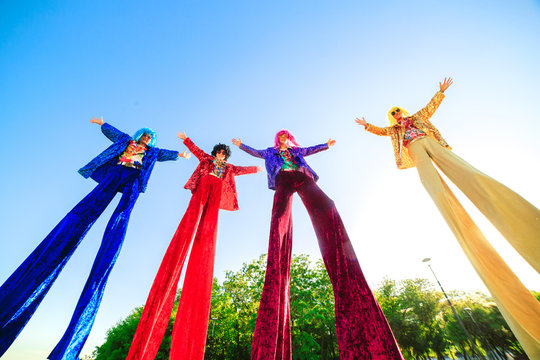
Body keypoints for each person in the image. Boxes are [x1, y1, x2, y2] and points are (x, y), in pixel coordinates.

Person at [356, 77, 540, 358]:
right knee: (434, 186)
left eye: (398, 111)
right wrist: (367, 126)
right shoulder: (394, 130)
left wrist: (440, 92)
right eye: (393, 113)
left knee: (464, 172)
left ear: (403, 111)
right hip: (416, 151)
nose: (397, 115)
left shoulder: (416, 118)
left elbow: (429, 109)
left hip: (430, 142)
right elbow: (381, 131)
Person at [0, 117, 189, 360]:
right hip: (117, 171)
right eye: (145, 136)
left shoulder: (151, 151)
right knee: (99, 197)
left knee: (125, 207)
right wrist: (102, 124)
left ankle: (121, 211)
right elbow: (115, 134)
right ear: (140, 134)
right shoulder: (127, 141)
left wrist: (179, 155)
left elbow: (163, 154)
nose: (146, 140)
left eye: (149, 138)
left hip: (133, 178)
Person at [232, 130, 403, 360]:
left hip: (301, 176)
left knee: (327, 204)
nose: (283, 139)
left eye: (286, 136)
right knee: (279, 217)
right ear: (277, 139)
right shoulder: (271, 153)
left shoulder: (295, 151)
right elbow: (256, 152)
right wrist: (242, 146)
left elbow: (309, 150)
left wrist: (326, 145)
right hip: (283, 178)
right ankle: (278, 235)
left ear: (289, 138)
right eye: (280, 137)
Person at [126, 133, 262, 360]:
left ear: (226, 155)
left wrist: (255, 170)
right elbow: (198, 151)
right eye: (219, 152)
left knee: (210, 220)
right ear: (216, 152)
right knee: (196, 211)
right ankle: (193, 221)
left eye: (223, 153)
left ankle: (205, 228)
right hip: (204, 185)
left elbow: (239, 170)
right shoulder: (207, 161)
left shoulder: (228, 167)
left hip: (217, 189)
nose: (221, 155)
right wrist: (185, 140)